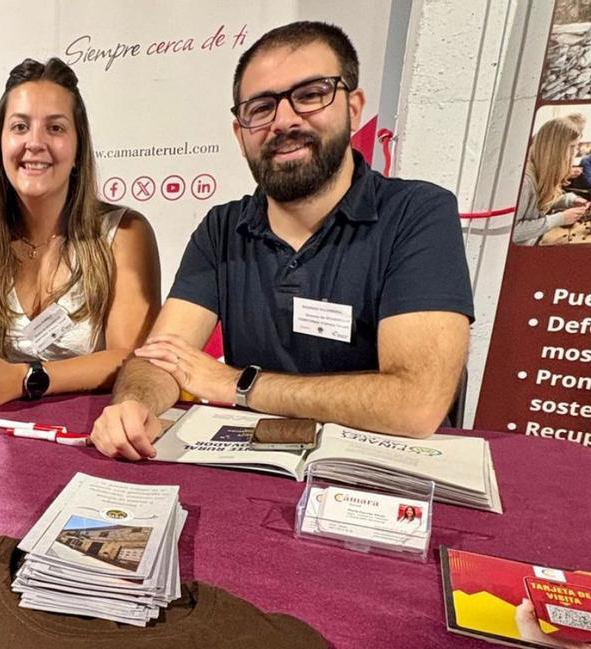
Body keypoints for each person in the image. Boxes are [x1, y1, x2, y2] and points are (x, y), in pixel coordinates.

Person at [91, 21, 475, 461]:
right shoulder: (221, 228)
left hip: (377, 483)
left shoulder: (418, 213)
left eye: (310, 94)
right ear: (240, 135)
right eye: (261, 107)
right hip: (253, 469)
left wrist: (237, 384)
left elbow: (415, 404)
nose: (285, 120)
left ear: (354, 107)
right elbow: (161, 358)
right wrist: (133, 404)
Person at [0, 58, 160, 410]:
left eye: (55, 128)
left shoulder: (125, 233)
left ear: (78, 150)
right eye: (20, 127)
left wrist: (24, 378)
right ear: (0, 144)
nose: (35, 143)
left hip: (86, 438)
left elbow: (129, 359)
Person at [514, 117, 588, 245]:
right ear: (556, 149)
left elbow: (541, 202)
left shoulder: (540, 172)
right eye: (572, 146)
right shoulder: (525, 182)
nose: (575, 153)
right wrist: (560, 219)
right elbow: (512, 231)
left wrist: (570, 200)